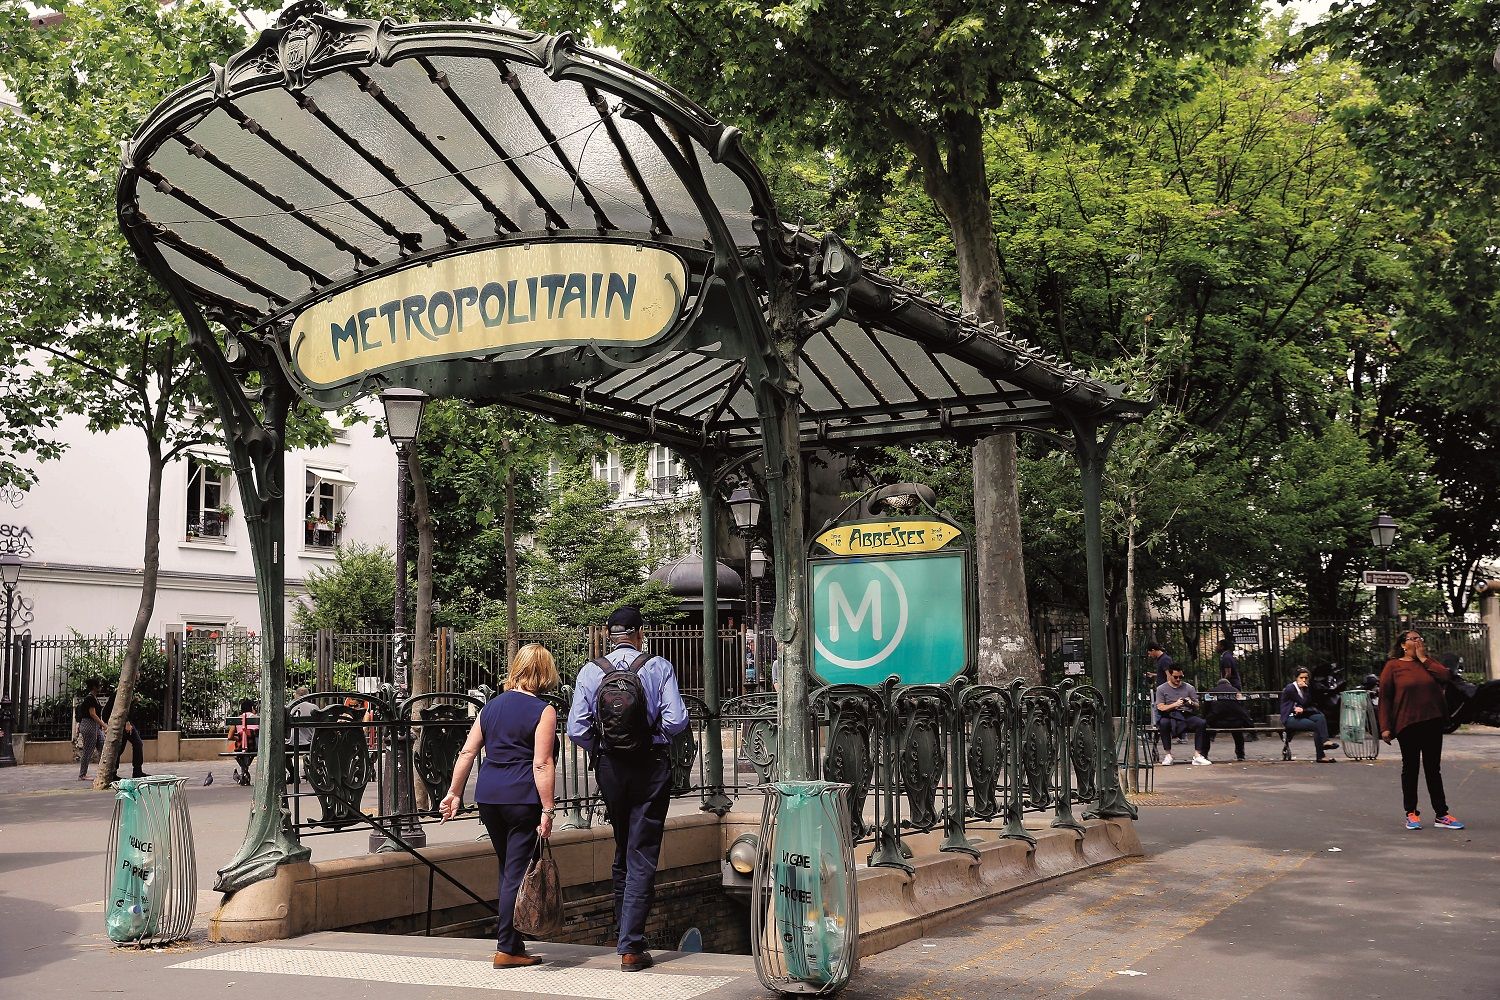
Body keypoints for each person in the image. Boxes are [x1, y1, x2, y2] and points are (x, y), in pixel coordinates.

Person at [566, 605, 689, 972]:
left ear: (609, 635)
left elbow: (576, 728)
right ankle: (631, 947)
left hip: (611, 768)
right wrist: (652, 740)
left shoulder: (591, 671)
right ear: (639, 633)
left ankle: (624, 932)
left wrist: (605, 747)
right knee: (642, 849)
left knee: (623, 844)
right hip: (650, 766)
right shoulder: (658, 666)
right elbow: (677, 719)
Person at [441, 643, 559, 968]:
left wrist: (453, 793)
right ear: (545, 672)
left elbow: (467, 753)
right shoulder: (544, 711)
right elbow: (542, 763)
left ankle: (514, 943)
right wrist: (548, 808)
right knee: (516, 872)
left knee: (509, 869)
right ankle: (506, 946)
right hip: (522, 799)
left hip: (489, 798)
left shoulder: (489, 708)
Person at [1379, 630, 1464, 830]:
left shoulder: (1428, 663)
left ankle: (1441, 814)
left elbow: (1445, 676)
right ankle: (1411, 813)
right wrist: (1385, 727)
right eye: (1413, 639)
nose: (1417, 641)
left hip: (1432, 721)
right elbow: (1385, 698)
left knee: (1433, 769)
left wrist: (1424, 658)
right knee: (1410, 768)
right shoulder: (1393, 666)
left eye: (1419, 638)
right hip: (1407, 724)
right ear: (1402, 644)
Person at [1279, 668, 1339, 763]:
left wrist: (1303, 707)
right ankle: (1321, 755)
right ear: (1296, 678)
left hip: (1301, 715)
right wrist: (1306, 690)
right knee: (1315, 726)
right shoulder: (1291, 688)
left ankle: (1325, 742)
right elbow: (1303, 701)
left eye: (1306, 678)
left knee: (1320, 718)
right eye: (1301, 677)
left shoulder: (1306, 688)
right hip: (1289, 718)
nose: (1303, 680)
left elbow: (1308, 704)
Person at [1155, 666, 1211, 766]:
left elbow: (1197, 705)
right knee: (1163, 723)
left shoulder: (1189, 687)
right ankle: (1168, 755)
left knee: (1201, 723)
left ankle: (1197, 755)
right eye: (1175, 677)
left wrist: (1190, 703)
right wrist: (1175, 704)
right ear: (1170, 675)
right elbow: (1160, 707)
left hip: (1185, 714)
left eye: (1181, 677)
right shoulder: (1161, 689)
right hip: (1170, 714)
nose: (1178, 680)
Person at [103, 685, 149, 779]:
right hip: (120, 722)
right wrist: (127, 722)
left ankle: (136, 771)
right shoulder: (120, 693)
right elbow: (120, 709)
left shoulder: (130, 691)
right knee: (122, 748)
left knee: (132, 745)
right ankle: (113, 773)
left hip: (125, 722)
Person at [1203, 676, 1253, 761]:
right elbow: (1242, 708)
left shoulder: (1211, 691)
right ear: (1229, 684)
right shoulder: (1236, 691)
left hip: (1216, 722)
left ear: (1218, 684)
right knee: (1238, 733)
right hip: (1235, 722)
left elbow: (1206, 709)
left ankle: (1204, 754)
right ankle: (1240, 754)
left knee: (1207, 730)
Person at [75, 676, 106, 782]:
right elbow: (92, 714)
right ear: (94, 687)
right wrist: (103, 724)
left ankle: (104, 771)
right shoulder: (90, 698)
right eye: (99, 685)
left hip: (94, 726)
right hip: (89, 725)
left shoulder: (94, 698)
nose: (101, 687)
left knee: (102, 745)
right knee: (88, 750)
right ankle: (82, 774)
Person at [286, 686, 315, 783]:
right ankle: (309, 772)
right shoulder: (314, 708)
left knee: (284, 754)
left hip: (292, 744)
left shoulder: (290, 708)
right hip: (310, 744)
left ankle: (293, 774)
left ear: (296, 695)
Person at [227, 698, 259, 785]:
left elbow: (229, 737)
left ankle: (244, 773)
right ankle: (245, 773)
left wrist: (239, 738)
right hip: (255, 747)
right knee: (249, 752)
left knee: (241, 753)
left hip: (241, 747)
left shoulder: (238, 719)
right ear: (252, 708)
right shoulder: (257, 718)